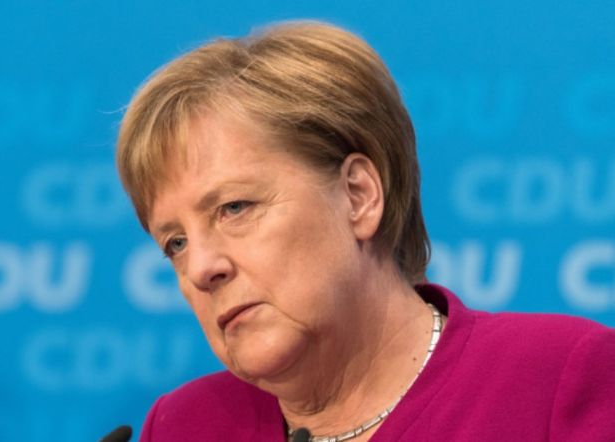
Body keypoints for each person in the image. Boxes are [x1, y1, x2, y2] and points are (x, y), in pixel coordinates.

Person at [115, 20, 615, 441]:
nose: (201, 268)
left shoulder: (557, 380)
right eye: (175, 243)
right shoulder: (185, 426)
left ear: (359, 196)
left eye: (234, 207)